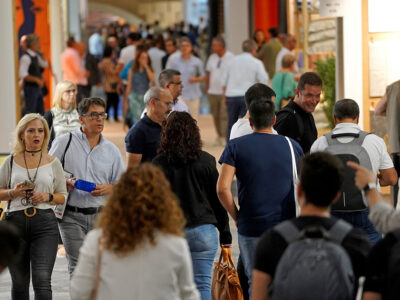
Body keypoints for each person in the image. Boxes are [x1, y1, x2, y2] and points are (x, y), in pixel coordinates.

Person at [251, 152, 371, 300]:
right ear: (336, 196)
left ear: (299, 190)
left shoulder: (272, 240)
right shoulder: (356, 241)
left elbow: (258, 296)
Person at [70, 164, 200, 300]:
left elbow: (79, 292)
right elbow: (188, 294)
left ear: (119, 200)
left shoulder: (98, 240)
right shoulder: (176, 245)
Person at [217, 99, 303, 295]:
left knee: (255, 283)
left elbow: (222, 188)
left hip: (251, 224)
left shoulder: (236, 146)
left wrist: (236, 216)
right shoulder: (292, 146)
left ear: (250, 122)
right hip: (286, 225)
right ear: (274, 119)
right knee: (285, 281)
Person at [153, 112, 231, 300]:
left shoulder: (159, 164)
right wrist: (225, 232)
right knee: (202, 283)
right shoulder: (206, 161)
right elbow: (216, 199)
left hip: (171, 233)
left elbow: (153, 203)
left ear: (167, 134)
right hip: (203, 231)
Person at [49, 97, 125, 276]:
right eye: (93, 115)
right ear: (81, 118)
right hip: (70, 217)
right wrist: (63, 183)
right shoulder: (63, 142)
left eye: (102, 115)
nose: (99, 119)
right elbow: (47, 173)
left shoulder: (112, 151)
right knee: (78, 268)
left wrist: (110, 188)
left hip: (102, 218)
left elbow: (124, 185)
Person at [0, 113, 67, 299]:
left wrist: (48, 196)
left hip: (45, 224)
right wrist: (13, 192)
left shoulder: (53, 163)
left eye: (40, 131)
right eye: (31, 131)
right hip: (14, 224)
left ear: (45, 135)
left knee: (42, 279)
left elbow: (63, 196)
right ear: (22, 135)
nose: (36, 135)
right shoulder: (11, 161)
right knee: (20, 283)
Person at [311, 98, 397, 243]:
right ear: (357, 118)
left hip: (333, 210)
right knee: (370, 259)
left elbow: (313, 182)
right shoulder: (375, 142)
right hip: (367, 210)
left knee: (337, 256)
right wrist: (373, 180)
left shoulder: (320, 144)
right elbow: (391, 178)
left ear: (334, 118)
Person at [222, 39, 269, 140]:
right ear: (254, 50)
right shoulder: (257, 62)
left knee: (231, 122)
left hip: (231, 96)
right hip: (248, 97)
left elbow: (224, 80)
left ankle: (229, 145)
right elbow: (264, 79)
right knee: (247, 122)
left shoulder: (231, 61)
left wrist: (224, 97)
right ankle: (245, 142)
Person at [274, 72, 322, 153]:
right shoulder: (287, 119)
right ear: (297, 92)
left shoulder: (307, 113)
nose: (314, 101)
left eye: (317, 96)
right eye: (309, 95)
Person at [125, 87, 173, 168]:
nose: (170, 108)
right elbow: (132, 171)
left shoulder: (170, 126)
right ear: (153, 102)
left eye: (171, 104)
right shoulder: (137, 133)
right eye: (167, 104)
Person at [348, 161, 400, 234]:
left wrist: (369, 187)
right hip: (369, 211)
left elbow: (390, 223)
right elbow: (391, 179)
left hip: (335, 210)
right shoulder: (380, 148)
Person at [375, 80, 400, 206]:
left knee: (395, 187)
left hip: (397, 148)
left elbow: (378, 110)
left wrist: (392, 113)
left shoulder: (393, 88)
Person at [205, 37, 234, 145]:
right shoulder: (212, 57)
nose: (212, 47)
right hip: (212, 92)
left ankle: (223, 136)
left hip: (225, 92)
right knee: (215, 114)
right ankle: (219, 135)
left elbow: (233, 74)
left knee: (224, 115)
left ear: (221, 46)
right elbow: (208, 73)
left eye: (214, 45)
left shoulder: (231, 57)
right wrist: (207, 88)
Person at [169, 37, 205, 120]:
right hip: (180, 95)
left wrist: (195, 79)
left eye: (187, 46)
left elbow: (203, 77)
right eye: (182, 46)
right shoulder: (174, 62)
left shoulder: (197, 61)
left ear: (191, 47)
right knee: (181, 120)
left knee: (193, 120)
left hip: (194, 95)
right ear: (179, 48)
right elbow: (170, 78)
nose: (184, 48)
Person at [44, 80, 81, 150]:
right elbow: (43, 139)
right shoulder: (50, 114)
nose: (72, 94)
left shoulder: (80, 113)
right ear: (60, 94)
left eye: (74, 91)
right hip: (56, 156)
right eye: (68, 91)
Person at [19, 34, 48, 115]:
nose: (39, 44)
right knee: (31, 112)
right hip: (30, 88)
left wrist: (41, 53)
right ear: (32, 44)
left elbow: (45, 64)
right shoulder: (26, 57)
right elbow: (22, 74)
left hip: (37, 89)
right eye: (38, 43)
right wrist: (36, 79)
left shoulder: (35, 56)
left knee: (40, 111)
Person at [124, 48, 155, 123]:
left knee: (145, 118)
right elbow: (129, 86)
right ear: (138, 59)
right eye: (142, 58)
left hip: (145, 98)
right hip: (134, 96)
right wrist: (126, 102)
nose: (144, 60)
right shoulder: (132, 71)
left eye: (146, 58)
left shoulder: (149, 70)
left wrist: (146, 67)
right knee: (136, 118)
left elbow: (152, 80)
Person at [61, 37, 88, 104]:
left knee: (69, 102)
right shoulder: (73, 53)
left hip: (67, 80)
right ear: (73, 43)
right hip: (75, 82)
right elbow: (77, 69)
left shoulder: (64, 53)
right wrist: (84, 73)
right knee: (76, 103)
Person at [98, 46, 122, 121]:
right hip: (110, 83)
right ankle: (111, 116)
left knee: (112, 100)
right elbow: (112, 72)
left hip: (110, 83)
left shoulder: (106, 61)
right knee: (113, 100)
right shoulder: (107, 61)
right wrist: (119, 67)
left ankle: (110, 116)